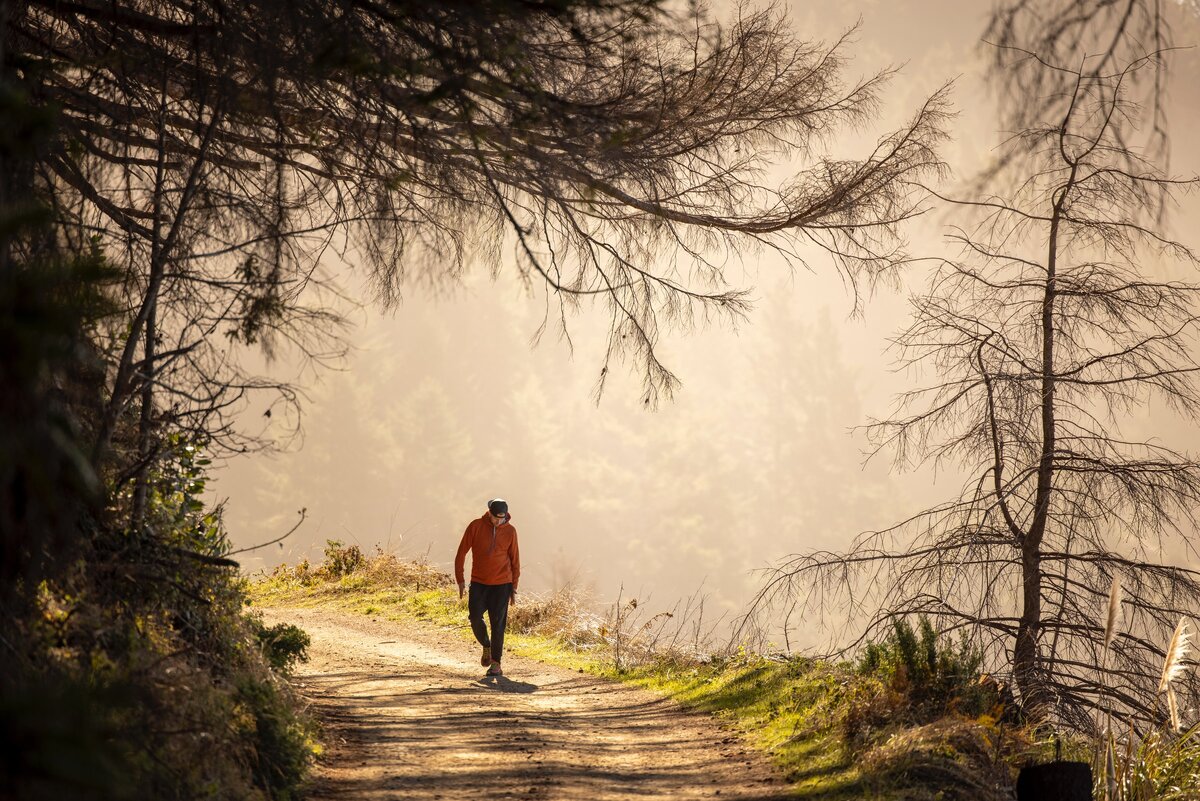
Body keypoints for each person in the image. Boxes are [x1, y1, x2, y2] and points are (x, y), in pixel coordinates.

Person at [454, 498, 520, 676]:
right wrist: (460, 579)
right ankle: (486, 645)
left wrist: (514, 587)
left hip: (502, 585)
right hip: (479, 582)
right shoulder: (475, 526)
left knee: (498, 625)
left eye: (502, 519)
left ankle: (496, 664)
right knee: (475, 617)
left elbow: (515, 560)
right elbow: (461, 552)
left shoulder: (511, 531)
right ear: (489, 513)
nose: (499, 522)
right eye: (495, 518)